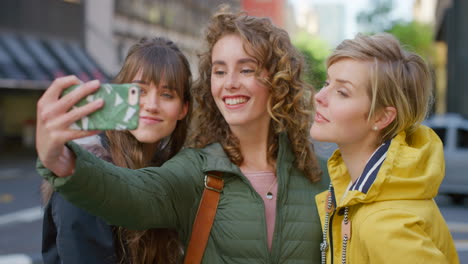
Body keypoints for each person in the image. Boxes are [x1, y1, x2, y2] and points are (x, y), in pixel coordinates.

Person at [36, 10, 329, 263]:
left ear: (278, 80)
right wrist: (63, 162)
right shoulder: (195, 168)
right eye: (219, 71)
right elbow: (128, 195)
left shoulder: (323, 174)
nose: (230, 83)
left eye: (247, 69)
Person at [310, 33, 459, 264]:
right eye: (327, 83)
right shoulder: (358, 194)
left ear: (381, 116)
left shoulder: (386, 223)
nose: (319, 97)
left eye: (342, 92)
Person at [40, 37, 191, 264]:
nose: (151, 104)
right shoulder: (85, 172)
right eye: (139, 91)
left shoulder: (174, 170)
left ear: (183, 109)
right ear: (119, 93)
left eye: (167, 94)